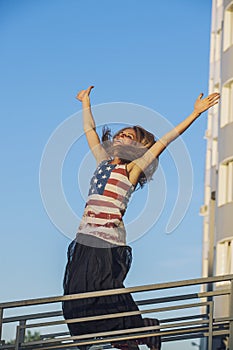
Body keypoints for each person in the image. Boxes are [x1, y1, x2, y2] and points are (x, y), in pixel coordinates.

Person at [62, 86, 220, 350]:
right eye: (121, 133)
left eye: (129, 136)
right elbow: (90, 130)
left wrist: (195, 114)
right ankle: (130, 339)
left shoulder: (131, 170)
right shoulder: (102, 161)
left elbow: (165, 141)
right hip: (84, 238)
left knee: (104, 290)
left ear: (137, 147)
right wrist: (85, 102)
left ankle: (137, 330)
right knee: (76, 296)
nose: (122, 136)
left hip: (106, 240)